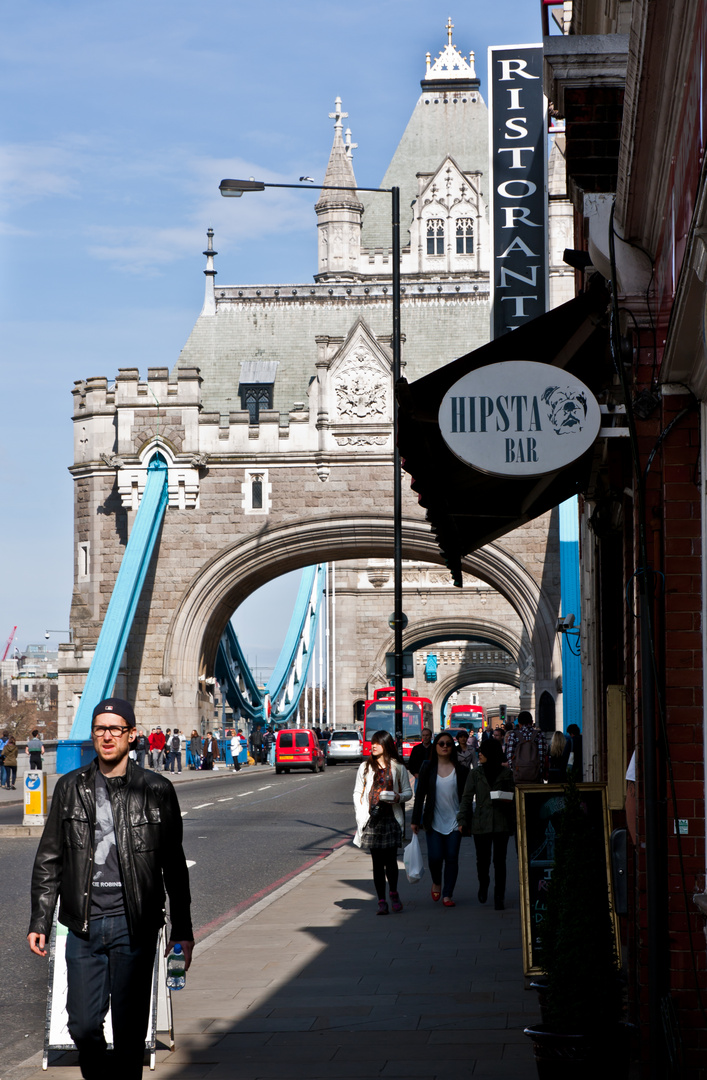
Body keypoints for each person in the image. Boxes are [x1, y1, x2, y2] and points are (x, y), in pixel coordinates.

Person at [27, 697, 193, 1080]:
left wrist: (182, 930)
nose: (106, 736)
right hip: (82, 924)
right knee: (83, 1026)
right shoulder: (70, 788)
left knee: (131, 1033)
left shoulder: (157, 789)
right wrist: (40, 919)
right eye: (100, 728)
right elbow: (49, 858)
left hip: (133, 925)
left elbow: (173, 866)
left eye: (115, 728)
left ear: (131, 735)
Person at [353, 730, 412, 915]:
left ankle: (393, 893)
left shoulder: (398, 767)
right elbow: (357, 792)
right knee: (377, 862)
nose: (373, 745)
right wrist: (360, 812)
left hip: (391, 819)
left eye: (377, 743)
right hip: (372, 821)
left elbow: (408, 792)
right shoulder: (365, 767)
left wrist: (397, 797)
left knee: (391, 861)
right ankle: (381, 900)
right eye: (372, 742)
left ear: (386, 745)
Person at [411, 733, 470, 907]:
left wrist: (464, 821)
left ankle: (448, 894)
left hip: (454, 822)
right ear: (435, 746)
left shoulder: (461, 770)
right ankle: (437, 881)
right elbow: (420, 795)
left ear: (453, 747)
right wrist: (415, 820)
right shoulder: (427, 768)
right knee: (435, 858)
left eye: (448, 744)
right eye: (441, 743)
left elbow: (466, 799)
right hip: (434, 821)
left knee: (452, 857)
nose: (445, 746)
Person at [457, 736, 515, 910]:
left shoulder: (506, 774)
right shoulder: (475, 774)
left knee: (500, 861)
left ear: (492, 753)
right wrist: (462, 819)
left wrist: (504, 797)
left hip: (501, 823)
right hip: (481, 823)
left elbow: (513, 797)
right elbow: (466, 798)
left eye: (483, 751)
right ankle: (484, 884)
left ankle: (499, 896)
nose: (479, 753)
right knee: (482, 861)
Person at [505, 710, 548, 783]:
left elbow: (510, 756)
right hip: (535, 777)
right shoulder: (539, 735)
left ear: (519, 723)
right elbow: (542, 757)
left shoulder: (514, 735)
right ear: (532, 722)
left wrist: (515, 771)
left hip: (518, 777)